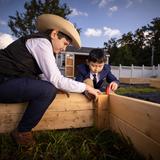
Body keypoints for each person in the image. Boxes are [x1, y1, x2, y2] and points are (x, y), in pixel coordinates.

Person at [0, 14, 101, 147]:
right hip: (3, 80)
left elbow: (45, 77)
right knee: (47, 90)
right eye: (65, 43)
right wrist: (87, 87)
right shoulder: (42, 43)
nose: (64, 49)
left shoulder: (45, 47)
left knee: (49, 87)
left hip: (9, 81)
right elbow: (56, 79)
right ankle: (22, 131)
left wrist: (60, 87)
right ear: (54, 34)